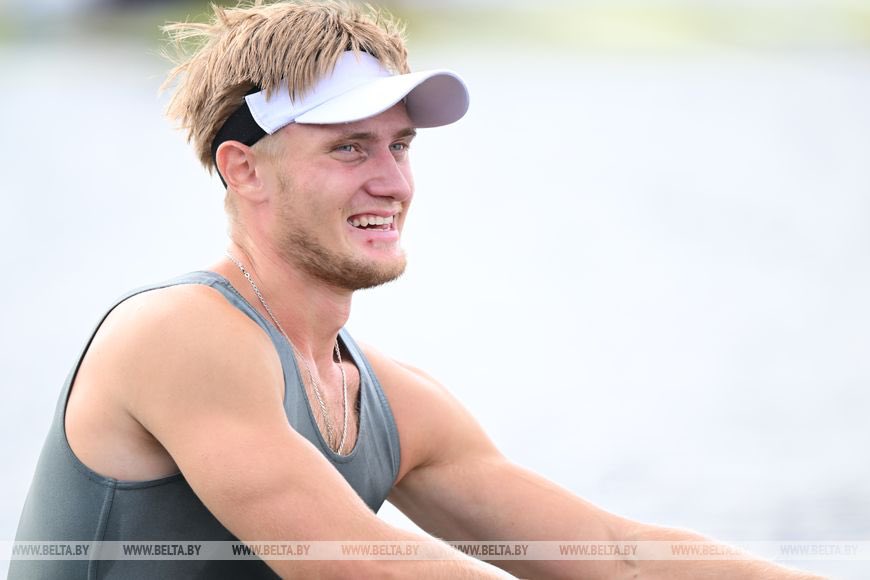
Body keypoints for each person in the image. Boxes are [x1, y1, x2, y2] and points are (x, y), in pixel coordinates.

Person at [10, 1, 820, 578]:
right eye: (350, 150)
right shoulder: (175, 336)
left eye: (401, 146)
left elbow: (616, 557)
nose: (393, 181)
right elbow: (367, 568)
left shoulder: (393, 401)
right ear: (243, 169)